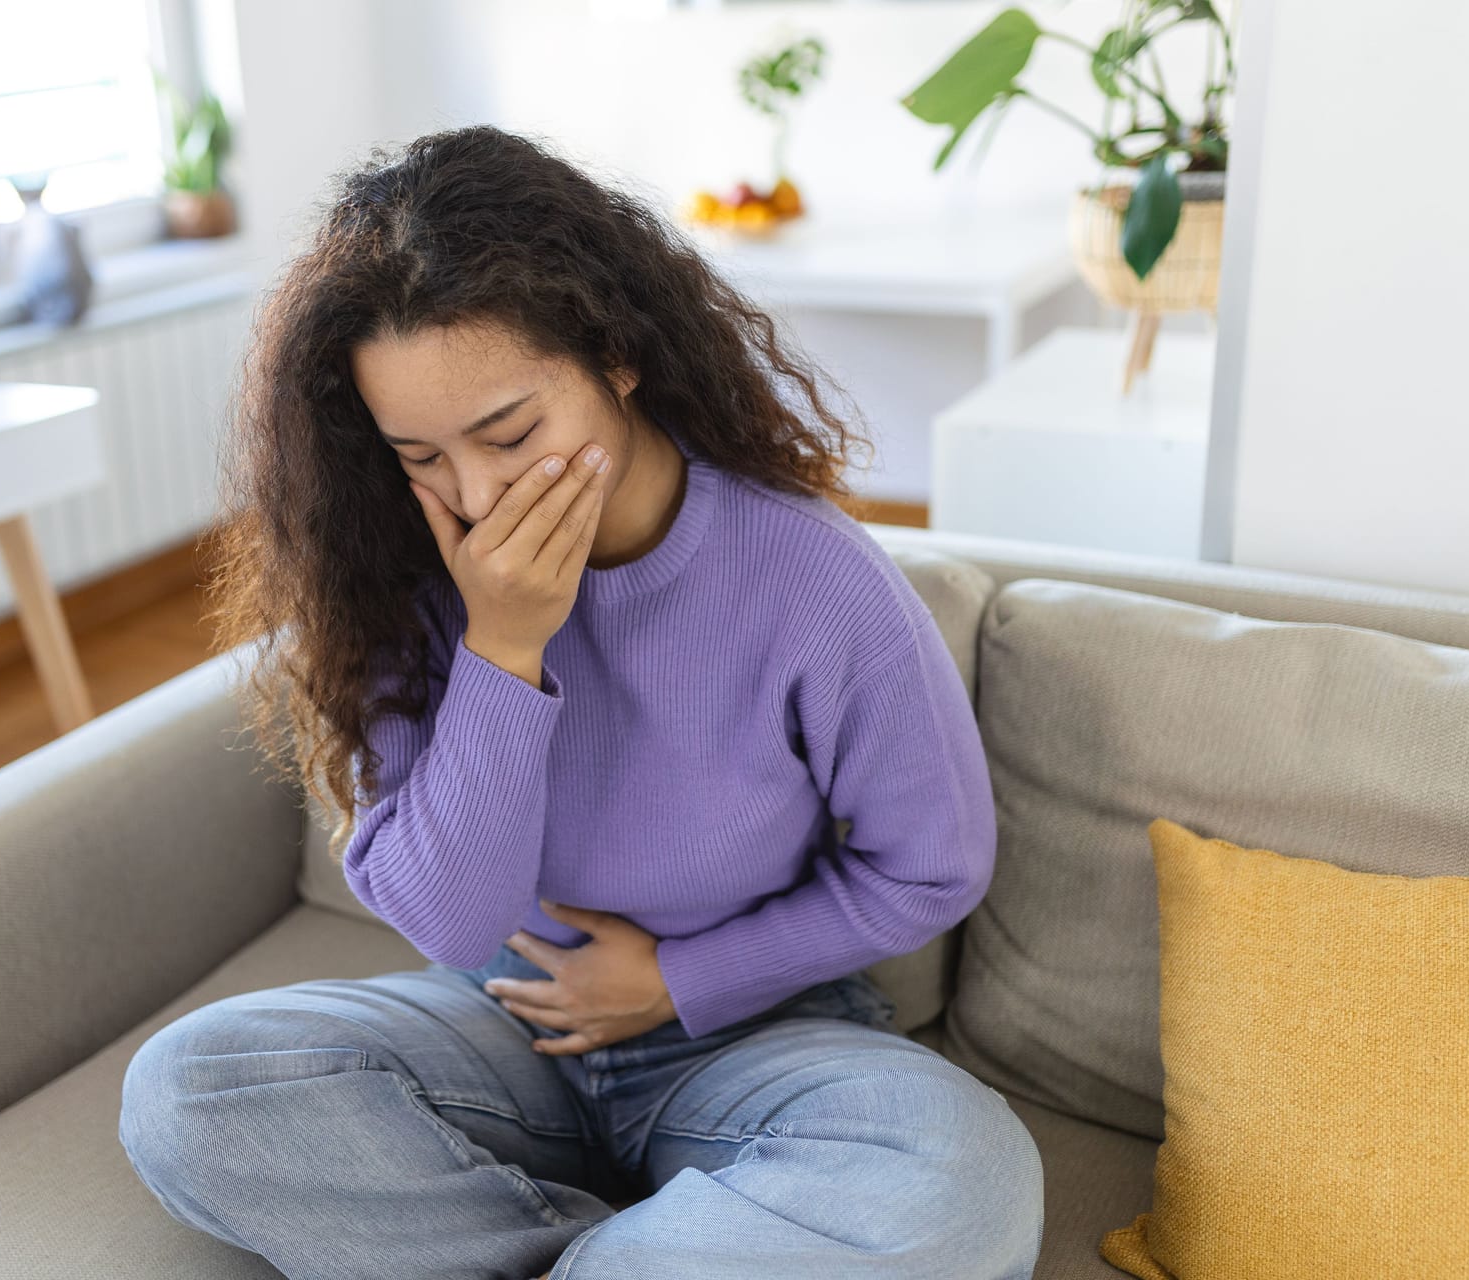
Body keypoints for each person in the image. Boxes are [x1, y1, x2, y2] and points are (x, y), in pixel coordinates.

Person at [117, 123, 1044, 1280]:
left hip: (752, 1040)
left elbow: (933, 864)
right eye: (421, 456)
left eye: (510, 433)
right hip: (503, 1023)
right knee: (189, 1087)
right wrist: (505, 644)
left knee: (963, 1180)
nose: (476, 491)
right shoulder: (395, 584)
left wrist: (676, 979)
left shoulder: (814, 577)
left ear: (616, 355)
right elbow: (452, 924)